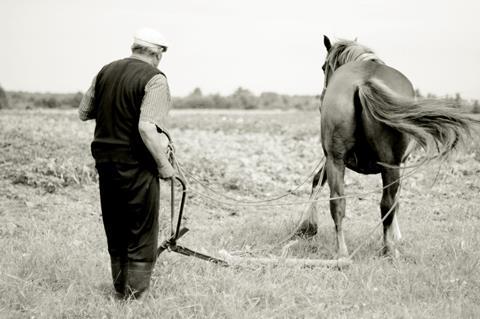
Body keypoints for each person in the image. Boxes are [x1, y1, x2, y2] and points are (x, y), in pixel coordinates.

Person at [78, 27, 176, 299]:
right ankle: (135, 297)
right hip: (137, 164)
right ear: (157, 54)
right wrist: (165, 166)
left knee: (116, 224)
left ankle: (120, 288)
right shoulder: (155, 79)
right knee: (141, 229)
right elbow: (147, 128)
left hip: (106, 162)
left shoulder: (105, 71)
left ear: (134, 49)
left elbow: (84, 112)